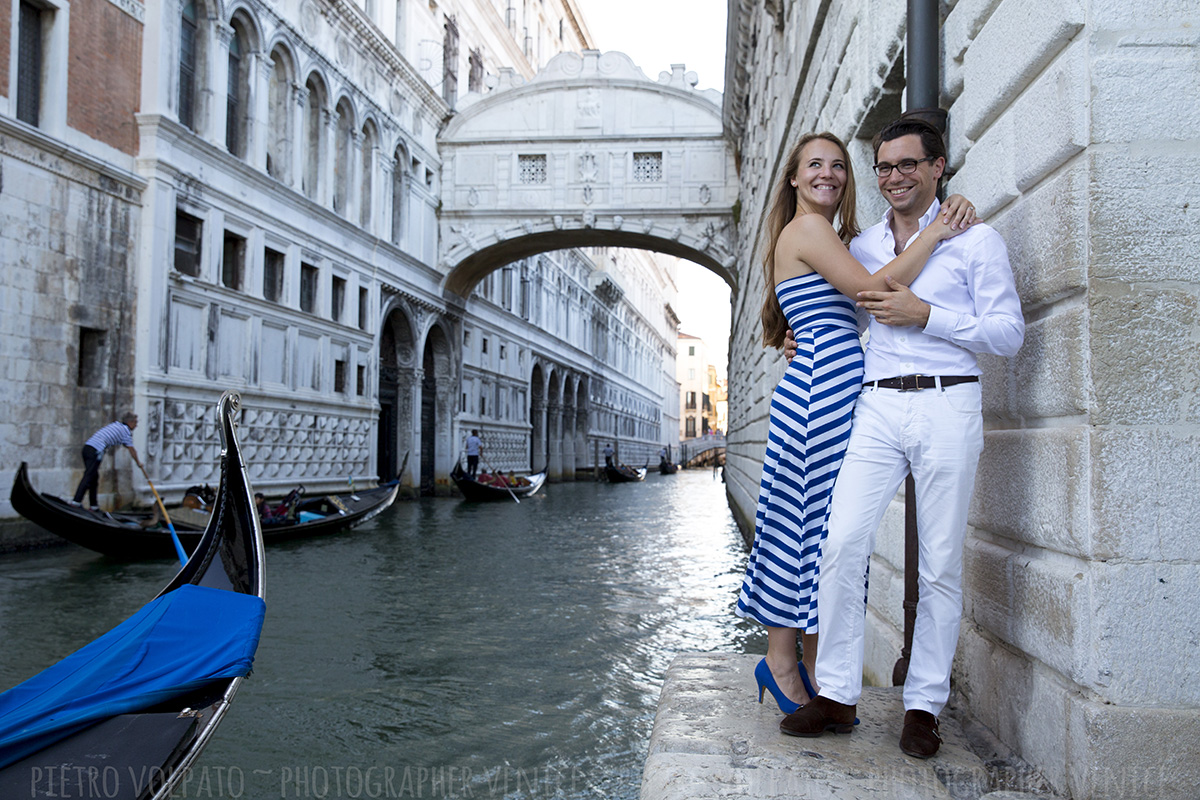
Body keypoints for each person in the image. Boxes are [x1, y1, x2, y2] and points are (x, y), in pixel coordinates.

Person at [778, 116, 1024, 759]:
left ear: (938, 167)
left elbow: (1007, 334)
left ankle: (923, 706)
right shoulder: (859, 246)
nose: (894, 177)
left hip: (948, 405)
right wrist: (794, 332)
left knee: (939, 563)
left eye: (908, 164)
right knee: (842, 543)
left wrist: (931, 318)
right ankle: (834, 693)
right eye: (884, 167)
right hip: (877, 407)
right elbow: (844, 302)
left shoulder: (977, 241)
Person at [735, 130, 978, 721]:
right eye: (814, 164)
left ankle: (814, 665)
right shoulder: (810, 229)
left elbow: (840, 311)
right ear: (792, 178)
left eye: (839, 165)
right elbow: (875, 292)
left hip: (838, 391)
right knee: (807, 526)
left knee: (820, 529)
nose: (828, 173)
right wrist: (936, 232)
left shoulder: (830, 237)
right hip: (821, 395)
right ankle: (785, 661)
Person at [71, 413, 142, 511]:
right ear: (130, 422)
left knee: (93, 477)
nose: (136, 425)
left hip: (87, 449)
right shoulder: (126, 431)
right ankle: (76, 502)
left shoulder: (117, 425)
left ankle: (94, 505)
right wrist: (138, 463)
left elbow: (125, 443)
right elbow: (132, 450)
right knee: (89, 476)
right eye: (136, 422)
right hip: (96, 450)